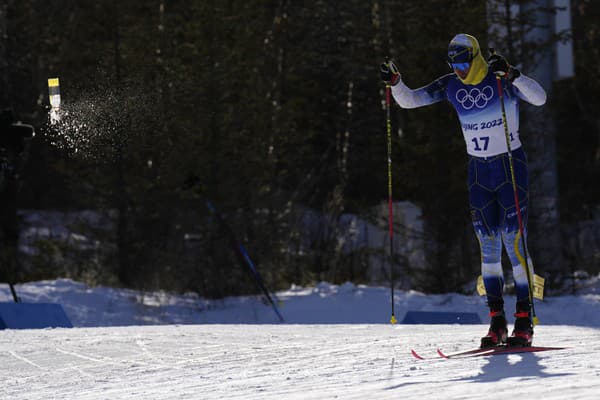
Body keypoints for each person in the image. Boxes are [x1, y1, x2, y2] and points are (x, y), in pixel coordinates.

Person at [380, 33, 546, 347]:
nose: (458, 69)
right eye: (452, 63)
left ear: (475, 56)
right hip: (479, 172)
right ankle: (497, 321)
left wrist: (514, 75)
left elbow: (539, 98)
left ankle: (524, 319)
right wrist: (396, 83)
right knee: (487, 247)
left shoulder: (501, 78)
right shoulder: (451, 85)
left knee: (514, 243)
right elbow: (410, 100)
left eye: (462, 62)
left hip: (510, 168)